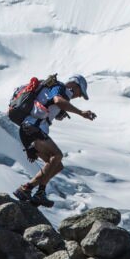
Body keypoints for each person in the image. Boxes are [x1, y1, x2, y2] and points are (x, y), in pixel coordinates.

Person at [14, 74, 96, 207]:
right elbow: (57, 100)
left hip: (29, 129)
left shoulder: (55, 90)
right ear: (74, 85)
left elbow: (51, 104)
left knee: (57, 166)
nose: (79, 96)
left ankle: (26, 189)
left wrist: (58, 112)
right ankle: (40, 193)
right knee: (57, 155)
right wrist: (81, 113)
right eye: (80, 92)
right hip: (33, 128)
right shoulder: (60, 87)